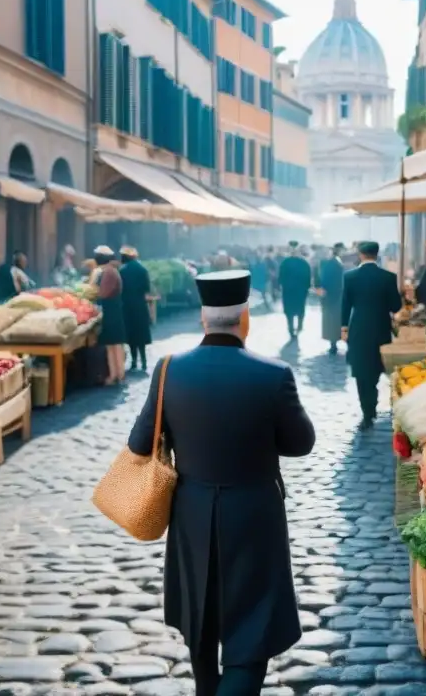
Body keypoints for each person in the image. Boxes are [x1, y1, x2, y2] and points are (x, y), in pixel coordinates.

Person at [127, 269, 315, 695]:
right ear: (244, 318)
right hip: (253, 511)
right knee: (252, 628)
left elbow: (139, 444)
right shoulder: (274, 374)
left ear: (202, 318)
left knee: (200, 618)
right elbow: (301, 443)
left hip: (192, 510)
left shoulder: (168, 368)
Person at [341, 241, 403, 430]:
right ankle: (376, 400)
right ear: (377, 254)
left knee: (362, 370)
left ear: (360, 254)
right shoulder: (388, 277)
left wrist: (344, 328)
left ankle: (368, 412)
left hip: (359, 328)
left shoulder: (350, 276)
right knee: (378, 365)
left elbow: (345, 304)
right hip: (381, 327)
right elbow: (396, 306)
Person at [92, 246, 127, 384]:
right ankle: (116, 374)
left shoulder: (108, 272)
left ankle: (118, 374)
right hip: (114, 311)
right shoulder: (111, 270)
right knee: (112, 344)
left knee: (115, 344)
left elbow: (103, 293)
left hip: (112, 312)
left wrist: (95, 293)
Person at [119, 245, 152, 373]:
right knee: (141, 334)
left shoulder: (122, 271)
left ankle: (133, 361)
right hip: (140, 304)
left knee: (131, 335)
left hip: (127, 306)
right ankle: (144, 361)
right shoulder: (142, 269)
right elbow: (146, 288)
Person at [278, 240, 312, 338]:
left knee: (290, 311)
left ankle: (291, 329)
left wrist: (282, 286)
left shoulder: (285, 262)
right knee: (299, 310)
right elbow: (308, 278)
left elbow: (280, 278)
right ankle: (298, 327)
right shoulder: (303, 262)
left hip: (289, 291)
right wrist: (307, 289)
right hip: (299, 291)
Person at [316, 243, 345, 355]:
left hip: (335, 296)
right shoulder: (333, 263)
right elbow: (329, 281)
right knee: (334, 321)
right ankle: (334, 344)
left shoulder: (335, 262)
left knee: (335, 321)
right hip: (334, 296)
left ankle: (335, 343)